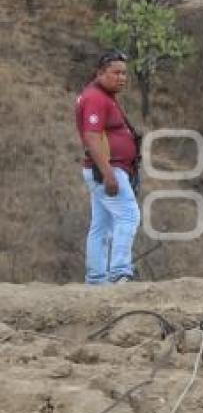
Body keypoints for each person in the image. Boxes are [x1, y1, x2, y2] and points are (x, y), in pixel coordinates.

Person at [75, 50, 141, 285]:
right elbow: (92, 137)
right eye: (116, 73)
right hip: (107, 169)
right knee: (129, 216)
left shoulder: (104, 95)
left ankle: (96, 278)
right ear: (100, 73)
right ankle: (120, 272)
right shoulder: (95, 98)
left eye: (124, 73)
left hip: (110, 168)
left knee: (101, 225)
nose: (122, 78)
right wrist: (108, 174)